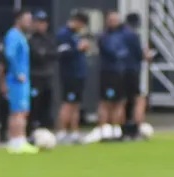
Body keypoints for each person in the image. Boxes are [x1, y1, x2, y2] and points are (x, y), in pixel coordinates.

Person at [4, 9, 38, 154]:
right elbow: (9, 54)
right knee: (19, 111)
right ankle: (18, 140)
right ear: (18, 19)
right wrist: (18, 72)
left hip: (22, 79)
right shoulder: (13, 35)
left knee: (20, 111)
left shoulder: (20, 36)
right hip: (17, 80)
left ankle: (15, 141)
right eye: (27, 19)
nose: (29, 22)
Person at [54, 12, 90, 144]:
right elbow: (63, 53)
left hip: (79, 74)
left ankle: (74, 132)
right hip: (69, 74)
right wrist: (78, 48)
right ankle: (62, 131)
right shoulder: (63, 34)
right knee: (68, 103)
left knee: (76, 104)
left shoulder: (76, 34)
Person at [95, 10, 129, 141]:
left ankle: (116, 129)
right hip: (108, 72)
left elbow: (125, 52)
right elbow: (112, 52)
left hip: (119, 72)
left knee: (119, 101)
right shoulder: (104, 36)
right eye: (111, 19)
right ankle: (104, 129)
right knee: (106, 102)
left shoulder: (122, 35)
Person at [121, 13, 152, 140]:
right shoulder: (133, 35)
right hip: (132, 70)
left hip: (119, 71)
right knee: (139, 99)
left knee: (123, 101)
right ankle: (136, 127)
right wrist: (146, 55)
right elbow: (140, 54)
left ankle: (122, 129)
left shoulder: (119, 34)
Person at [27, 10, 57, 136]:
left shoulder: (49, 39)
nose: (41, 25)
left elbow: (55, 54)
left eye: (43, 22)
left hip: (47, 76)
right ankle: (30, 131)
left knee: (47, 105)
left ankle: (44, 131)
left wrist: (46, 53)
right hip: (35, 77)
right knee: (34, 106)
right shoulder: (30, 39)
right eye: (38, 22)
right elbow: (37, 55)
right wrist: (45, 54)